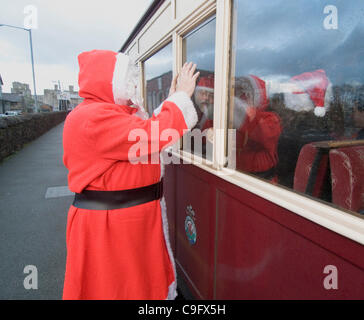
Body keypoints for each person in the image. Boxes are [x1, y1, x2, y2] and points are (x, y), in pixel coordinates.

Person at [62, 49, 200, 300]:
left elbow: (140, 138)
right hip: (112, 226)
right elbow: (150, 135)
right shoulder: (93, 117)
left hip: (123, 221)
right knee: (119, 289)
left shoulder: (100, 114)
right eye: (128, 78)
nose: (133, 84)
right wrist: (181, 96)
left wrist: (171, 101)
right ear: (109, 80)